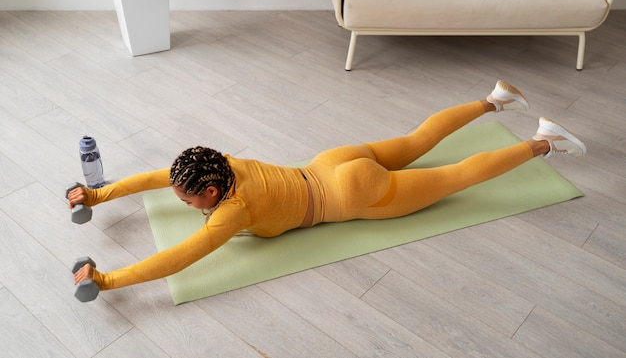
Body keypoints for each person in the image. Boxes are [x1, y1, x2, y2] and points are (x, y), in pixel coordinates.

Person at [70, 80, 586, 294]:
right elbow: (154, 178)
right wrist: (94, 196)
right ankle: (494, 100)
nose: (179, 199)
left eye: (186, 198)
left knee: (456, 178)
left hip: (352, 195)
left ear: (209, 193)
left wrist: (110, 280)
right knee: (417, 138)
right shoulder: (221, 163)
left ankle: (543, 141)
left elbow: (179, 259)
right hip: (333, 161)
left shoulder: (233, 212)